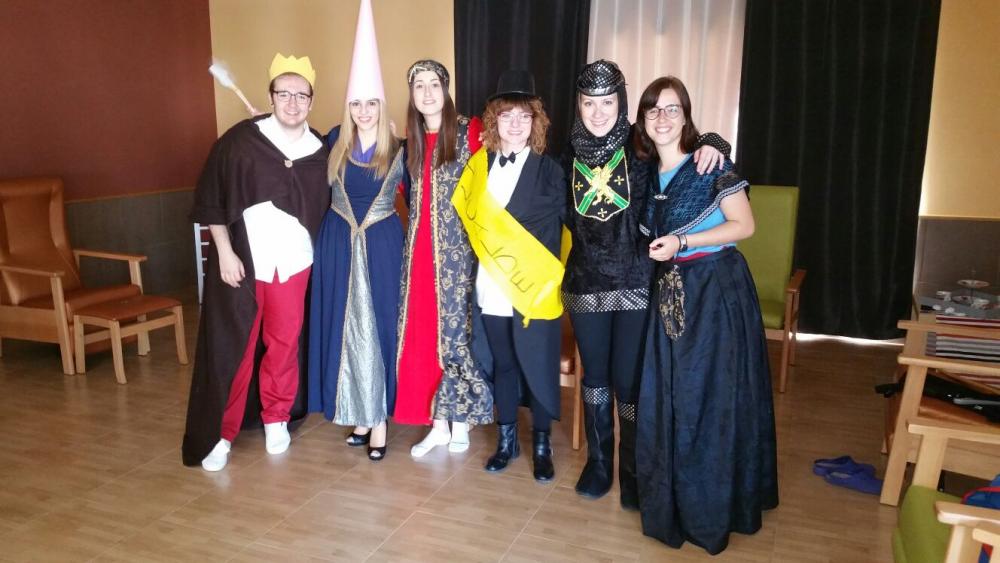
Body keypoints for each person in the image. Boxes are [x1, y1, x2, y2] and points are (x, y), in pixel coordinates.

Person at [562, 60, 728, 508]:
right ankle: (600, 463)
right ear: (578, 106)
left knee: (630, 382)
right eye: (589, 103)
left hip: (637, 282)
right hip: (585, 284)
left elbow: (683, 150)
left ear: (622, 104)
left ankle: (633, 470)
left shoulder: (642, 148)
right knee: (596, 377)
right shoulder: (565, 158)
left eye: (607, 102)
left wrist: (713, 142)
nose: (598, 112)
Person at [632, 76, 778, 554]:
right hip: (670, 290)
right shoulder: (645, 174)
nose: (663, 118)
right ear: (643, 119)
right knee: (672, 394)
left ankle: (713, 507)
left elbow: (745, 225)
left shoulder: (710, 164)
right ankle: (673, 497)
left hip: (716, 288)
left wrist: (684, 240)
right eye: (653, 110)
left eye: (672, 109)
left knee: (712, 397)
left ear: (686, 116)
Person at [182, 53, 329, 471]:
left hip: (295, 264)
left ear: (311, 102)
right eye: (284, 94)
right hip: (245, 264)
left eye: (301, 96)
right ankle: (222, 433)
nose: (293, 103)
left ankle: (276, 417)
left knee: (284, 344)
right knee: (238, 349)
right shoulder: (239, 142)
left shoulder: (320, 149)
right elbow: (211, 199)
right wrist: (224, 252)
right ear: (271, 96)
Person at [453, 70, 566, 482]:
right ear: (493, 120)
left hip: (532, 287)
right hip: (491, 286)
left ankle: (541, 444)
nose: (515, 124)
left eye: (524, 116)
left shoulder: (550, 170)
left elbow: (558, 231)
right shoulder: (477, 167)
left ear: (536, 121)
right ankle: (506, 441)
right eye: (506, 115)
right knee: (504, 364)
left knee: (538, 364)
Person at [307, 0, 404, 462]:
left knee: (377, 327)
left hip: (382, 245)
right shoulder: (332, 141)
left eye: (371, 103)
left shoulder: (400, 149)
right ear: (348, 108)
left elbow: (427, 194)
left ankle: (378, 417)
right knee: (345, 329)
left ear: (381, 105)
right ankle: (359, 413)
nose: (363, 111)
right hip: (339, 244)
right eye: (356, 104)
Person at [394, 60, 492, 457]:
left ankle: (461, 418)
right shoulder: (411, 141)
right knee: (424, 336)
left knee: (457, 335)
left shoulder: (470, 131)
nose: (427, 92)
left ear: (446, 89)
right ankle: (437, 423)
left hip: (459, 254)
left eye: (434, 84)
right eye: (419, 85)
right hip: (419, 253)